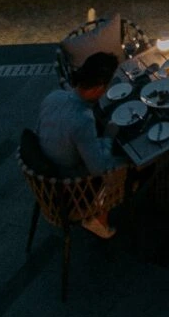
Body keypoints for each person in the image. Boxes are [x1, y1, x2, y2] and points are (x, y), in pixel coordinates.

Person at [34, 51, 121, 240]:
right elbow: (99, 168)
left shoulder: (54, 96)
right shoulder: (82, 120)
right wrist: (109, 136)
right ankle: (97, 220)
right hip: (70, 185)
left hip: (44, 168)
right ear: (100, 87)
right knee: (122, 163)